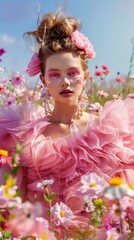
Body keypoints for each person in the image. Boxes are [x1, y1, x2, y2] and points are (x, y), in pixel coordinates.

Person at [0, 11, 134, 239]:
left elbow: (125, 204)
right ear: (43, 80)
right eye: (54, 75)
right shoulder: (26, 135)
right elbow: (14, 206)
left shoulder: (110, 131)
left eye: (72, 73)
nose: (65, 82)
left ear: (86, 75)